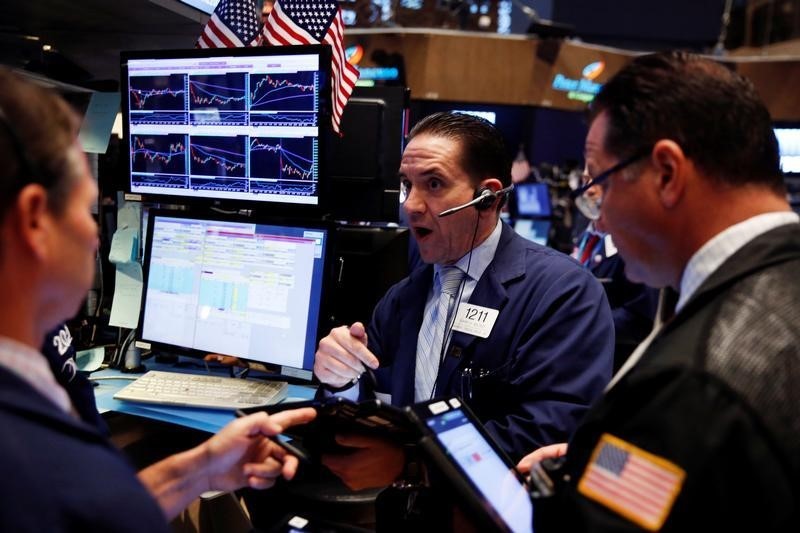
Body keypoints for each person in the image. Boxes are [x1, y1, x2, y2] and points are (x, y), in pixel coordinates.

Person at [0, 67, 316, 531]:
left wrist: (202, 469)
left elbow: (94, 515)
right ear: (33, 220)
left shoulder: (29, 390)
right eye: (84, 208)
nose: (95, 236)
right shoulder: (22, 449)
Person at [518, 51, 800, 532]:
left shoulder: (695, 379)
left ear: (667, 173)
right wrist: (611, 452)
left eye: (599, 183)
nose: (600, 217)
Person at [314, 111, 615, 489]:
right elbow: (369, 406)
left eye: (434, 184)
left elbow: (548, 429)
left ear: (487, 199)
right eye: (408, 184)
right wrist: (339, 377)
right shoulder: (404, 296)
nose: (411, 205)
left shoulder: (564, 293)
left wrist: (412, 465)